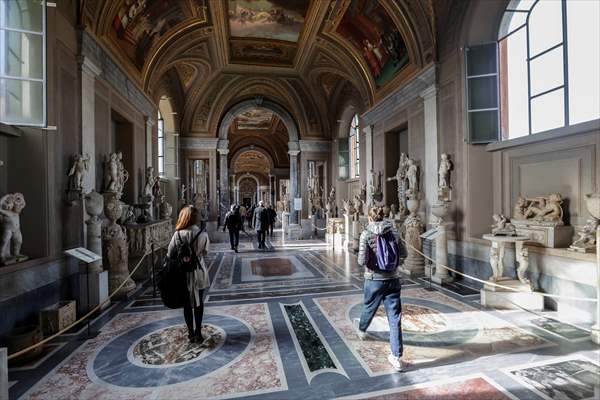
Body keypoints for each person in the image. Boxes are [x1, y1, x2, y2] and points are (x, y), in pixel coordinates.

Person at [356, 206, 405, 372]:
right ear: (383, 217)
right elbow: (403, 254)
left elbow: (362, 261)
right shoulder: (395, 232)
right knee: (395, 318)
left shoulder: (366, 233)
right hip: (393, 279)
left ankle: (362, 330)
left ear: (370, 218)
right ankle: (396, 357)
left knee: (369, 307)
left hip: (374, 279)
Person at [167, 205, 210, 343]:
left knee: (186, 304)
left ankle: (190, 333)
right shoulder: (202, 234)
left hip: (182, 273)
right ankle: (198, 331)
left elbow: (170, 254)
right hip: (198, 271)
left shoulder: (177, 234)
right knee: (199, 302)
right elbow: (205, 253)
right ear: (195, 218)